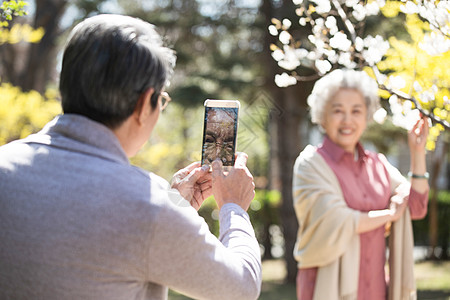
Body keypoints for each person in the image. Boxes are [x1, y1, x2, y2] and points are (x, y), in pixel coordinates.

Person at [0, 14, 261, 300]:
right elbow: (241, 288)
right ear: (142, 104)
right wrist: (233, 208)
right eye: (161, 100)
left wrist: (176, 204)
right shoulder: (150, 206)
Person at [292, 69, 429, 300]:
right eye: (338, 111)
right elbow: (338, 220)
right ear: (322, 116)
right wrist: (389, 215)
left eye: (356, 111)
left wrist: (417, 153)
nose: (347, 120)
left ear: (366, 116)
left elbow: (416, 207)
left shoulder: (379, 165)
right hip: (325, 288)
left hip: (376, 290)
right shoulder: (310, 165)